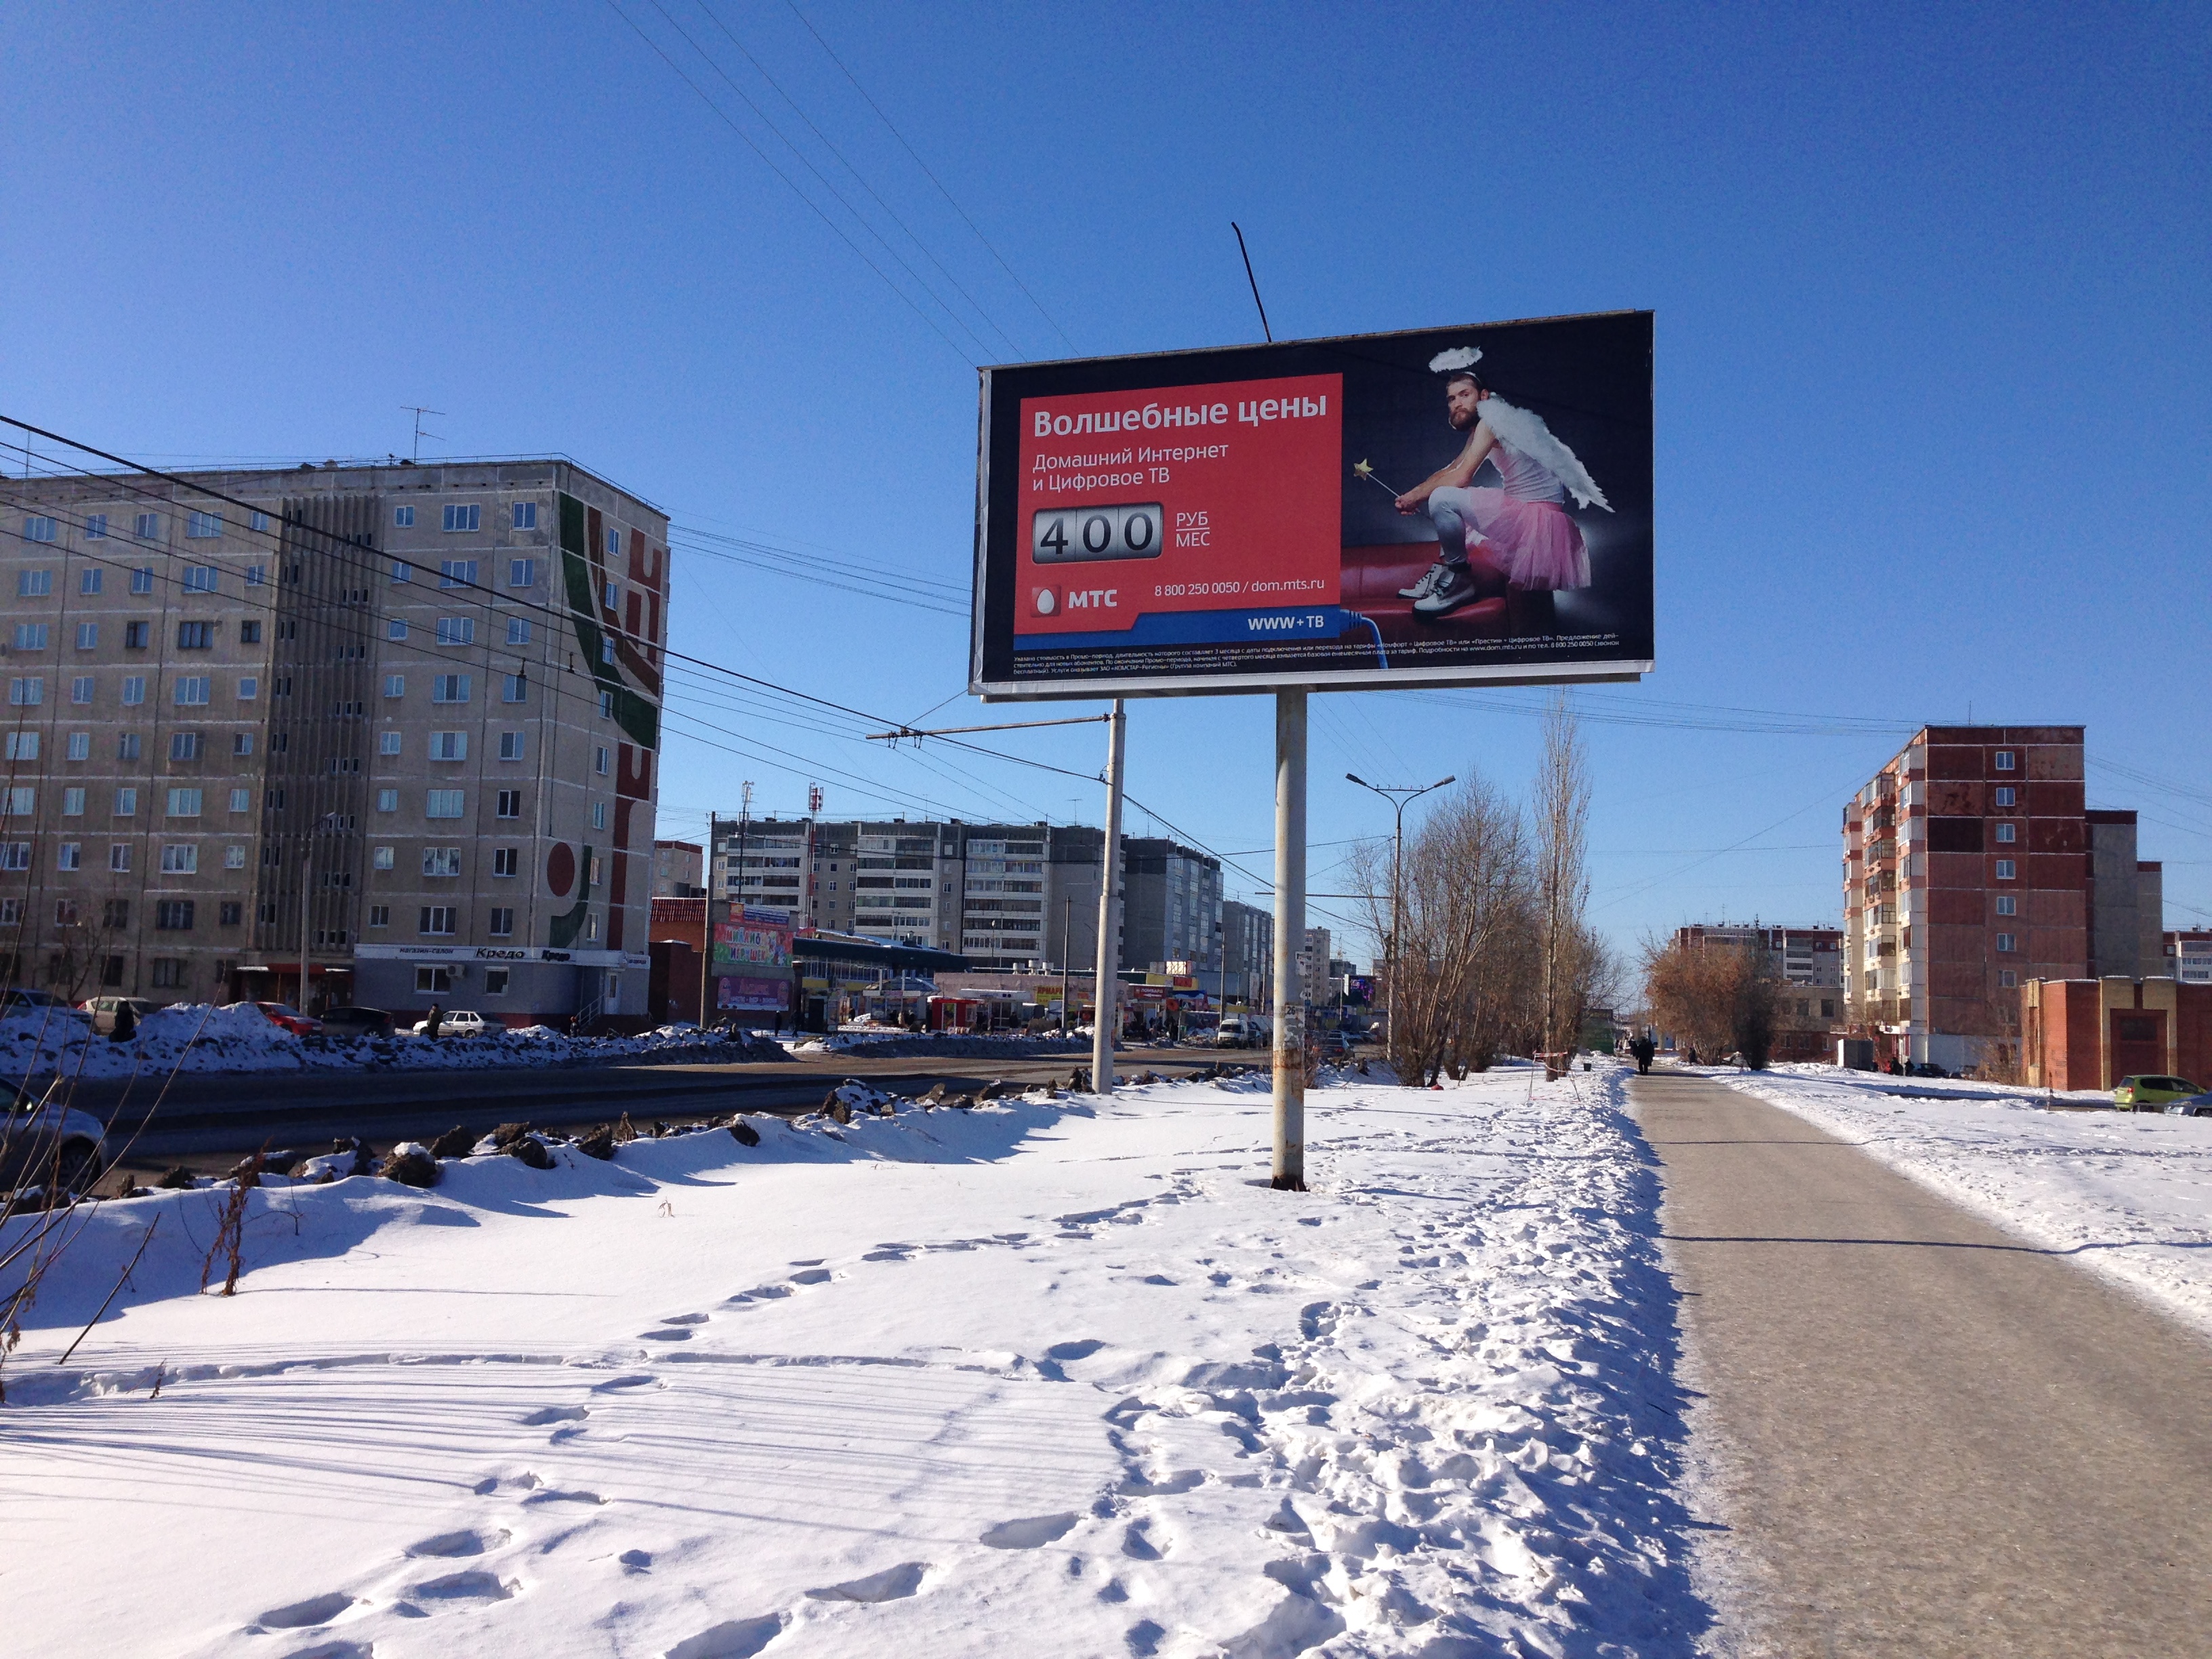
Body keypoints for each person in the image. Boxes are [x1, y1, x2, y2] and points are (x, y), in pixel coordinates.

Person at [1393, 347, 1610, 626]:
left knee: (1443, 499)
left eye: (1464, 395)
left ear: (1484, 397)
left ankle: (1458, 581)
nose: (1456, 403)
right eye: (1451, 398)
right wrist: (1414, 494)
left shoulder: (1493, 421)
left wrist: (1417, 497)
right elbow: (1452, 468)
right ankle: (1444, 575)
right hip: (1528, 511)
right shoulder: (1490, 421)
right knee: (1444, 497)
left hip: (1533, 516)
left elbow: (1461, 478)